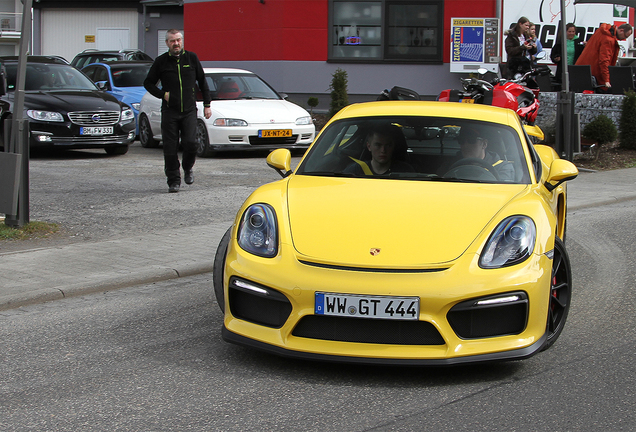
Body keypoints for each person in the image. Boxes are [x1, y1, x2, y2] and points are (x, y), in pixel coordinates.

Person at [144, 29, 212, 193]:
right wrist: (163, 95)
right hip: (170, 112)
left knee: (191, 143)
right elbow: (148, 83)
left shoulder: (191, 58)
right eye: (172, 41)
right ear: (167, 43)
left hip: (189, 110)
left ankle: (188, 168)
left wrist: (207, 104)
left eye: (178, 40)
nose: (176, 43)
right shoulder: (161, 62)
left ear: (182, 41)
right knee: (170, 148)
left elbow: (202, 81)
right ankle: (173, 181)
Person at [441, 126, 515, 181]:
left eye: (471, 140)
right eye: (461, 141)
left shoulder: (502, 167)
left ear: (484, 144)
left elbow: (503, 191)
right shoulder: (450, 165)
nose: (465, 145)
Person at [575, 22, 633, 92]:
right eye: (625, 36)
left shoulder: (600, 31)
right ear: (621, 30)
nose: (624, 38)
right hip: (594, 75)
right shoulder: (608, 40)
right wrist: (606, 80)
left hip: (581, 71)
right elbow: (604, 61)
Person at [344, 125, 413, 176]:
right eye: (378, 145)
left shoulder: (406, 172)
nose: (383, 150)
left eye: (388, 145)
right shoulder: (354, 171)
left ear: (393, 146)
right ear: (369, 146)